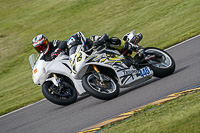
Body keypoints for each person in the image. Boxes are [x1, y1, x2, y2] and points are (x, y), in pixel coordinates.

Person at [67, 31, 143, 57]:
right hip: (104, 59)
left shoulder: (90, 40)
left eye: (75, 47)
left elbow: (104, 36)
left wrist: (99, 41)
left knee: (110, 41)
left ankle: (134, 47)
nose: (75, 49)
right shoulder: (81, 55)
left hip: (111, 51)